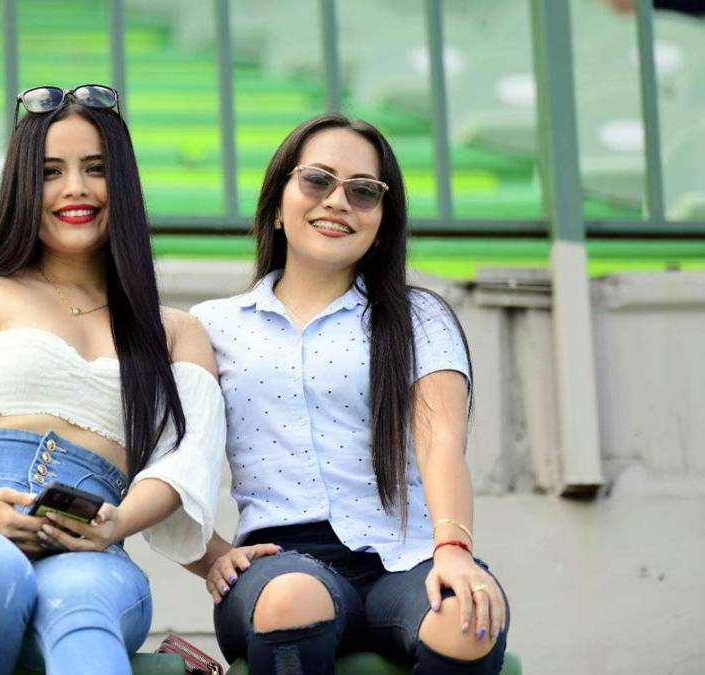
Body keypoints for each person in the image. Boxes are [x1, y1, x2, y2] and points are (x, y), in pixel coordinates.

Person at [0, 84, 225, 675]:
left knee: (81, 603)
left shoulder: (175, 332)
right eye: (50, 171)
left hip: (89, 543)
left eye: (95, 169)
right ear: (22, 187)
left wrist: (118, 524)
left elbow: (183, 466)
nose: (75, 189)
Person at [187, 113, 509, 674]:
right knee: (293, 598)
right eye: (317, 180)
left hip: (406, 560)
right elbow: (171, 458)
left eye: (363, 191)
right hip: (278, 563)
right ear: (278, 203)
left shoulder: (418, 317)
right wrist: (211, 554)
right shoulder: (212, 326)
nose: (338, 201)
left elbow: (442, 444)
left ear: (382, 224)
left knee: (468, 617)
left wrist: (453, 551)